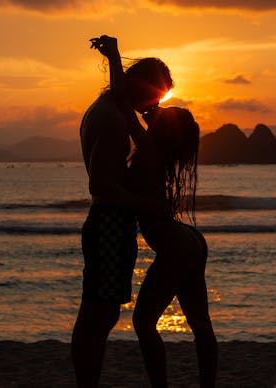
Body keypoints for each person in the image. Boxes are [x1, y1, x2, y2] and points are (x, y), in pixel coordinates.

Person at [91, 35, 218, 388]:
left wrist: (115, 56)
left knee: (144, 323)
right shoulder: (160, 154)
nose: (152, 111)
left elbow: (121, 97)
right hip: (191, 241)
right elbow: (131, 101)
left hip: (176, 246)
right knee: (201, 326)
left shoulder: (146, 148)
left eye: (159, 115)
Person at [71, 36, 174, 388]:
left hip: (112, 224)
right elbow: (101, 188)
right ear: (140, 89)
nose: (152, 107)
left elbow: (130, 110)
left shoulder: (114, 110)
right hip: (108, 224)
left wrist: (114, 56)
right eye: (154, 98)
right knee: (95, 315)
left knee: (105, 313)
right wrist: (151, 205)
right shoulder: (114, 120)